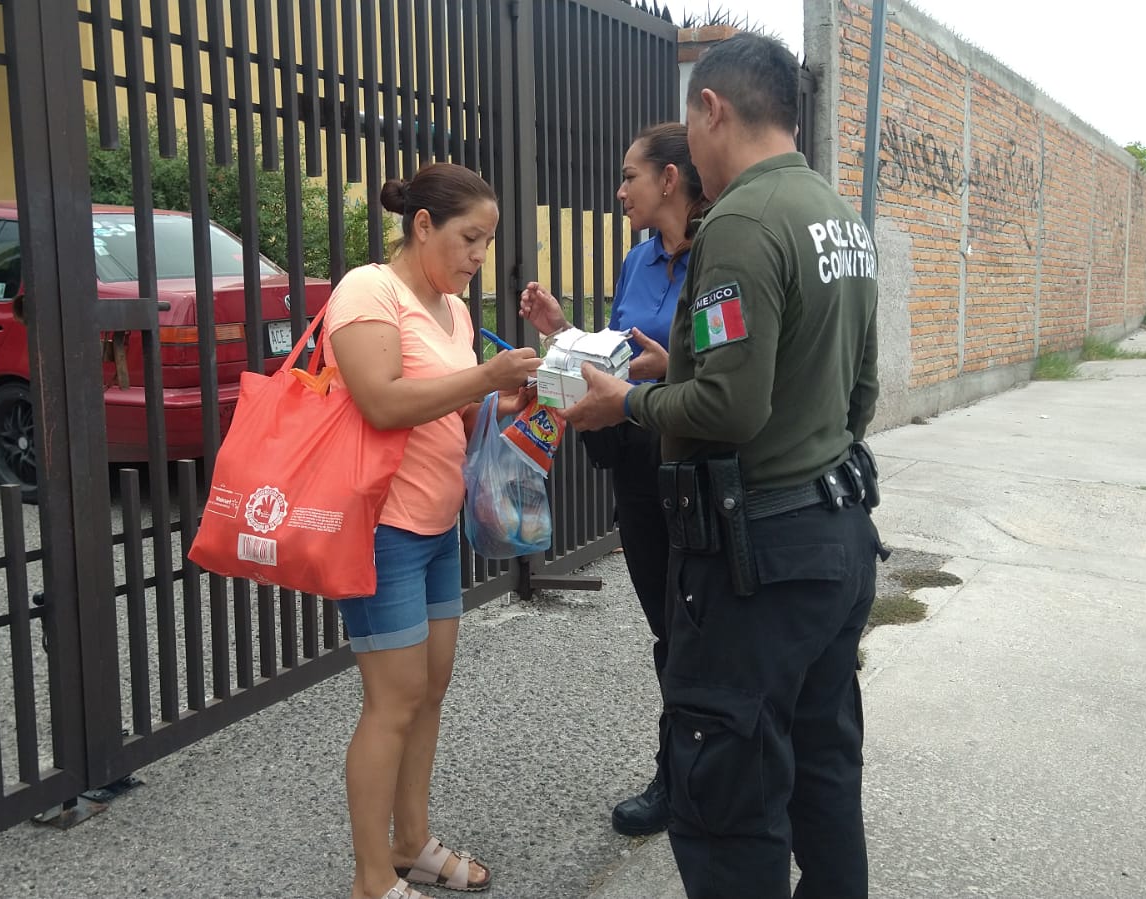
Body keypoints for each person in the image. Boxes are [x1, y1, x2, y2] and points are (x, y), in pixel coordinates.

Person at [562, 34, 886, 899]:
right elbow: (856, 387)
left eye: (690, 124)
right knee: (821, 769)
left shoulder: (741, 219)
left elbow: (731, 409)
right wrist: (677, 364)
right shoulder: (835, 214)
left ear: (711, 110)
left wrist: (626, 404)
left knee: (728, 795)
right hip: (836, 532)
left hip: (756, 561)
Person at [325, 162, 542, 899]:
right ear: (423, 226)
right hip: (382, 526)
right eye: (469, 238)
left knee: (429, 690)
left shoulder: (450, 309)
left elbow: (451, 410)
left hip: (435, 524)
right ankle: (370, 878)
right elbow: (383, 403)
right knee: (391, 702)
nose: (479, 256)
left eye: (487, 242)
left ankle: (410, 841)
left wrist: (508, 404)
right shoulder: (369, 292)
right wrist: (484, 379)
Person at [516, 122, 709, 837]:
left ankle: (708, 772)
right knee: (666, 626)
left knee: (704, 626)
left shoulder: (721, 254)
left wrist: (670, 368)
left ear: (669, 179)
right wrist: (562, 331)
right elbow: (618, 355)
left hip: (698, 463)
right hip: (637, 464)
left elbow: (731, 372)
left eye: (630, 176)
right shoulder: (637, 259)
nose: (620, 191)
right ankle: (677, 773)